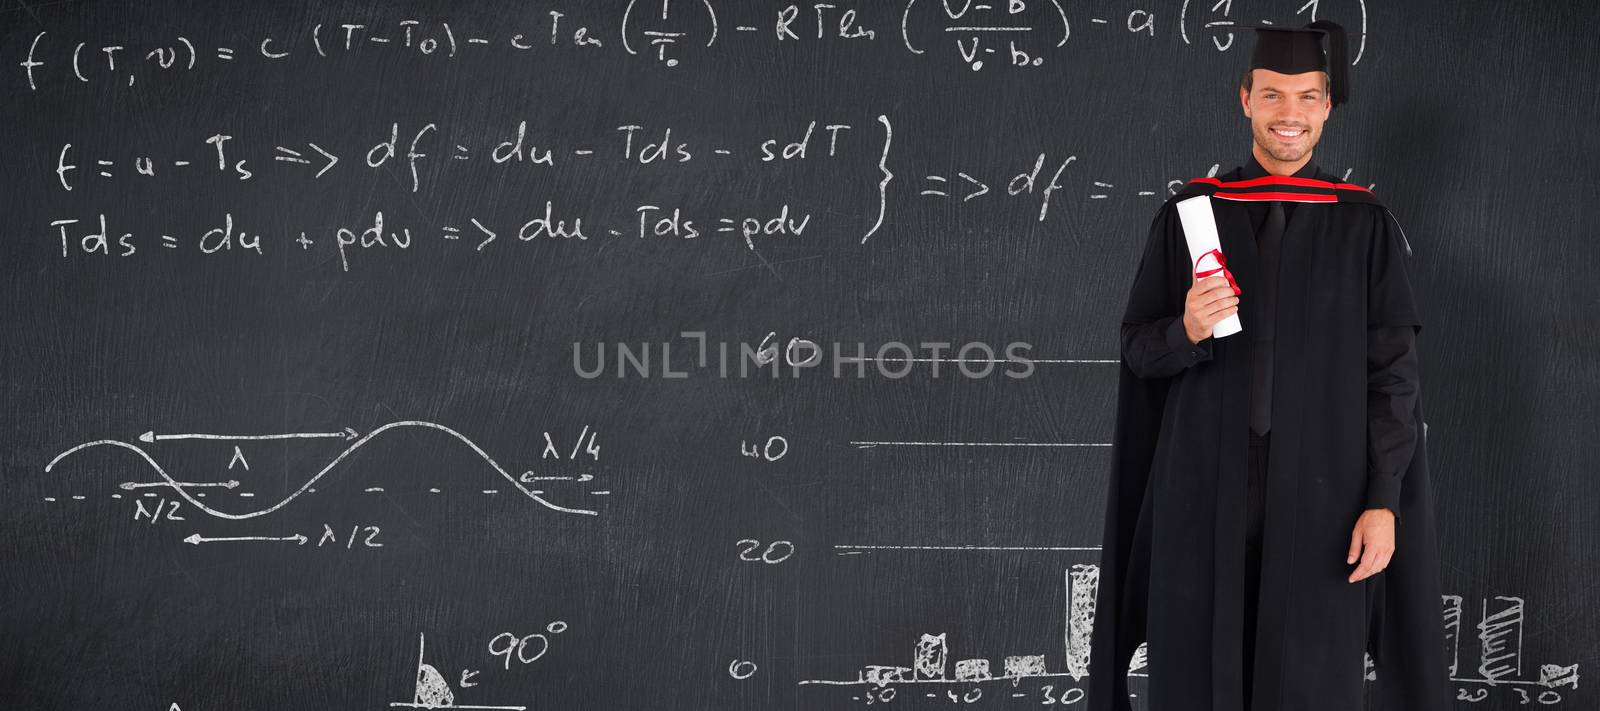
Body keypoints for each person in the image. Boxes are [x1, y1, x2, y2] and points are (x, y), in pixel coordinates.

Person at [1085, 20, 1451, 711]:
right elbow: (1138, 348)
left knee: (1310, 679)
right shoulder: (1190, 215)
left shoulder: (1363, 226)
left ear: (1327, 107)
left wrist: (1382, 497)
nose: (1291, 114)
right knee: (1195, 672)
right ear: (1245, 99)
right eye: (1275, 96)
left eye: (1308, 97)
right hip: (1202, 487)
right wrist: (1187, 329)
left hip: (1326, 494)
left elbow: (1394, 377)